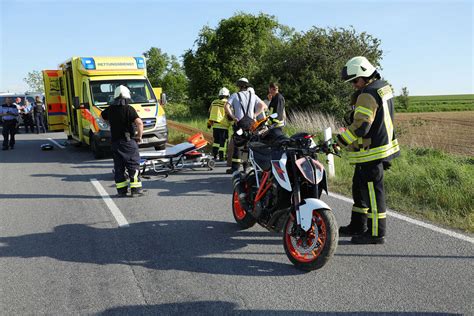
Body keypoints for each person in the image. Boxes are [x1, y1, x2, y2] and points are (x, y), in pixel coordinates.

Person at [336, 56, 400, 244]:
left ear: (365, 74)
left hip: (372, 152)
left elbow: (361, 127)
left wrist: (339, 141)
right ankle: (358, 225)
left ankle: (375, 233)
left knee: (372, 193)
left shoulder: (366, 94)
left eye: (355, 81)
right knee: (359, 188)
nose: (354, 85)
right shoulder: (383, 87)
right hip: (380, 148)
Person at [101, 85, 145, 197]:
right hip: (128, 142)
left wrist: (110, 123)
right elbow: (139, 123)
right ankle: (136, 190)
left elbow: (101, 117)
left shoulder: (110, 109)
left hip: (115, 142)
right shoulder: (129, 109)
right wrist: (139, 136)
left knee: (119, 167)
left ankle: (121, 191)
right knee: (133, 165)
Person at [224, 78, 267, 173]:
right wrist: (255, 115)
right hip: (251, 124)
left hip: (240, 123)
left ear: (239, 86)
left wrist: (233, 116)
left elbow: (226, 106)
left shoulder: (235, 95)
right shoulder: (253, 96)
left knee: (238, 144)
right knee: (247, 145)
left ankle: (235, 168)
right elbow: (264, 106)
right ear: (247, 86)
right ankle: (246, 166)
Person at [207, 87, 231, 161]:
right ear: (227, 95)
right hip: (224, 126)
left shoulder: (214, 102)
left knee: (216, 141)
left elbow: (209, 112)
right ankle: (221, 157)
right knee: (222, 142)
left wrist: (209, 123)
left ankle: (214, 155)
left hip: (215, 125)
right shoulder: (227, 103)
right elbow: (229, 115)